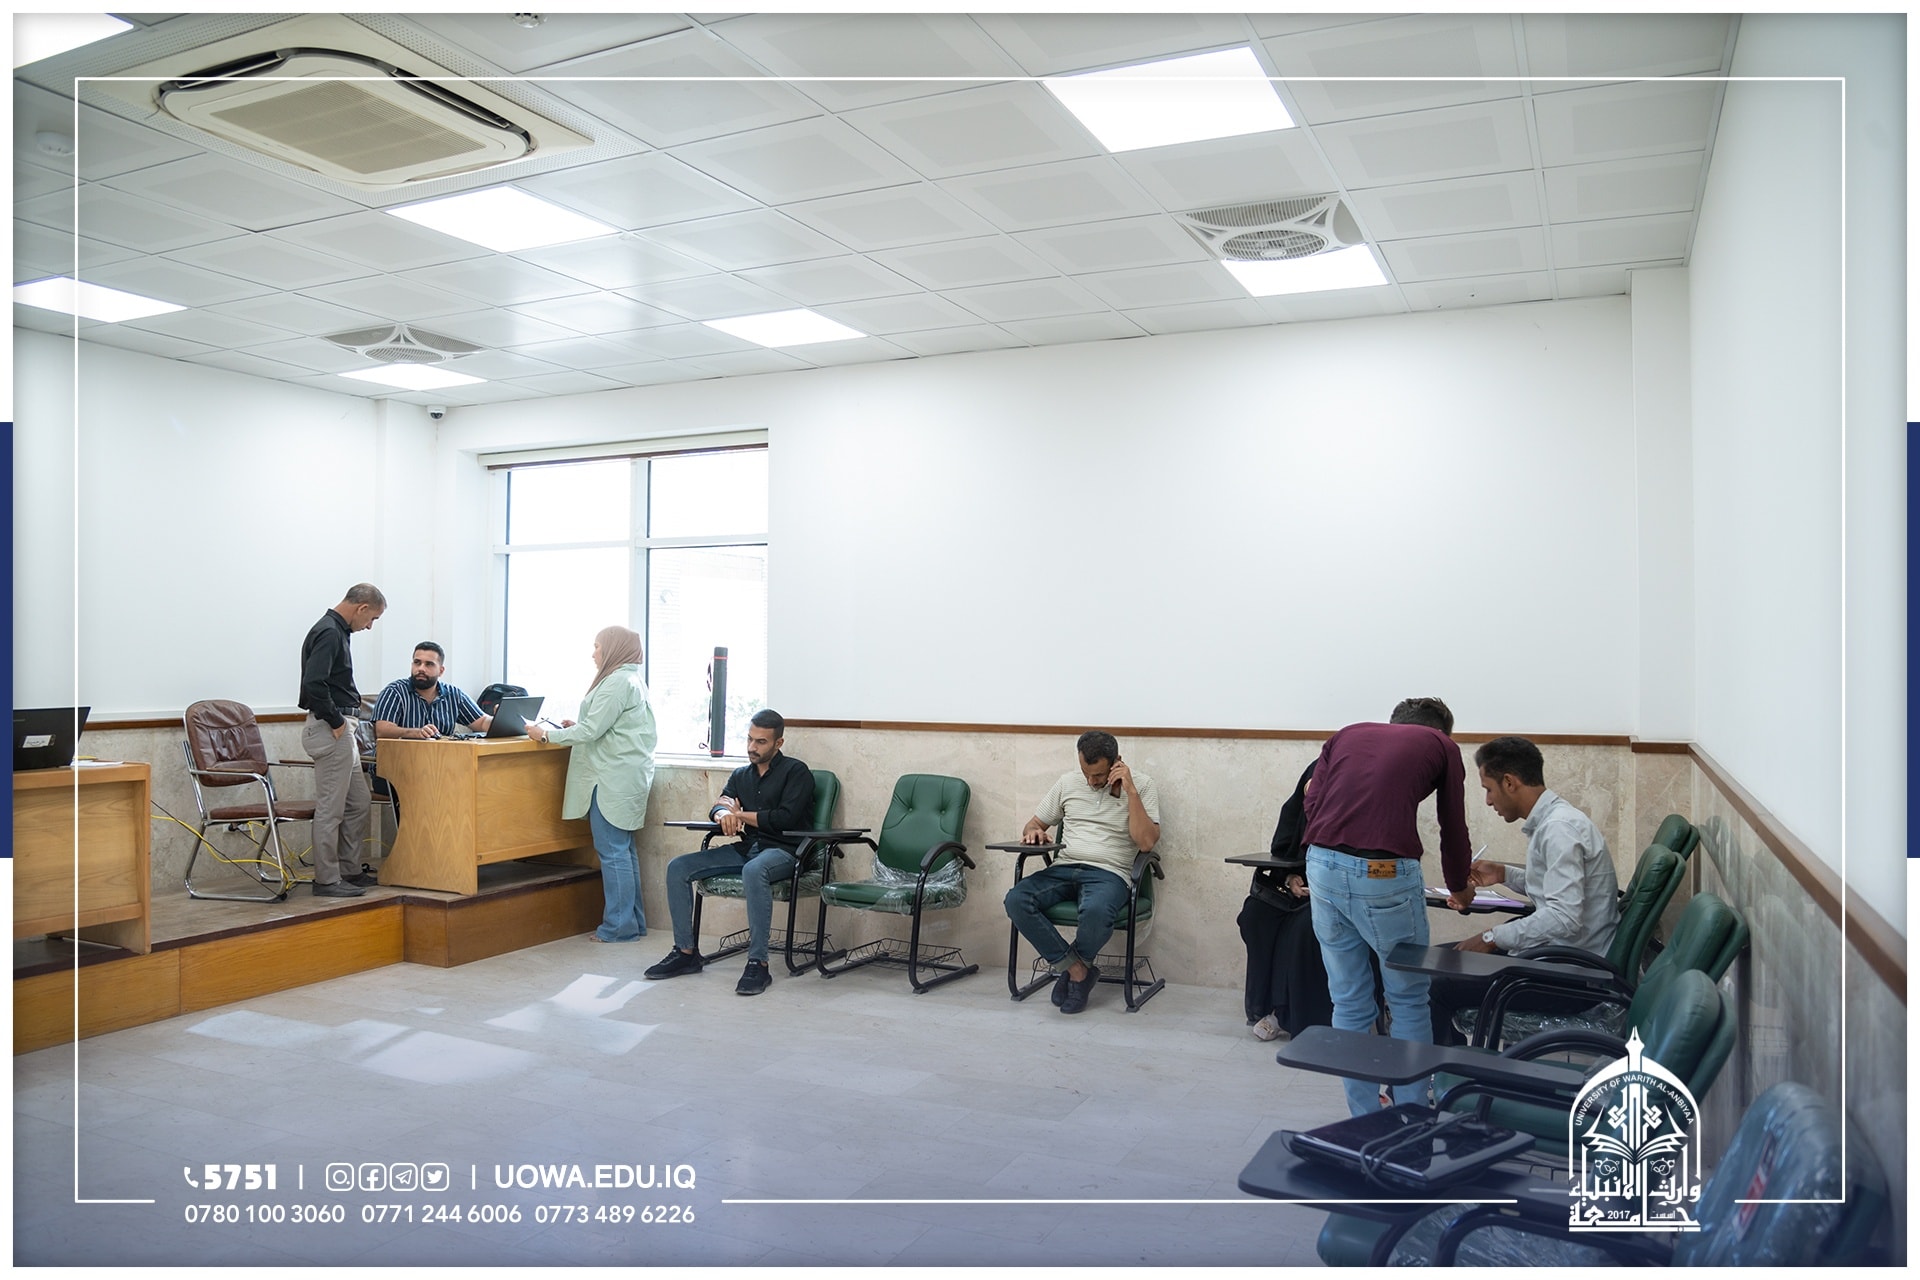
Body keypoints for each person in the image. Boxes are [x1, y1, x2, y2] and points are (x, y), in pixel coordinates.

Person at [1301, 696, 1474, 1115]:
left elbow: (1311, 805)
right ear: (1441, 730)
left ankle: (1363, 1117)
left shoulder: (1347, 734)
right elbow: (1452, 825)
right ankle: (1411, 1115)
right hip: (1384, 872)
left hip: (1321, 863)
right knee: (1408, 999)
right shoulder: (1442, 745)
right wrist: (1459, 887)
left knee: (1348, 1000)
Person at [1426, 736, 1621, 1045]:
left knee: (1435, 985)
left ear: (1509, 782)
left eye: (1489, 789)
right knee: (1438, 961)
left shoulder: (1559, 830)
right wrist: (1504, 874)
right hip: (1558, 958)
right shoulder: (1556, 821)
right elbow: (1556, 890)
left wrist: (1491, 938)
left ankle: (1441, 1069)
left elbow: (1563, 917)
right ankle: (1453, 1063)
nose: (1488, 801)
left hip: (1570, 977)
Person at [646, 710, 816, 996]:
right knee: (678, 867)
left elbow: (785, 818)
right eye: (749, 739)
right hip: (747, 848)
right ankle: (686, 953)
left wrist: (741, 815)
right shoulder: (741, 775)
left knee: (754, 870)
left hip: (786, 851)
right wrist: (724, 814)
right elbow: (720, 803)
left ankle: (758, 963)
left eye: (761, 742)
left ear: (779, 743)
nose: (752, 747)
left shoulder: (796, 772)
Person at [1005, 730, 1161, 1015]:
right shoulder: (1067, 783)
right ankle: (1078, 972)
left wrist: (1130, 791)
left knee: (1096, 910)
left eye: (1098, 775)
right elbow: (1034, 824)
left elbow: (1146, 842)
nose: (1091, 781)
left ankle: (1073, 972)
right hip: (1065, 867)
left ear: (1117, 762)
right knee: (1016, 900)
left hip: (1109, 873)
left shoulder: (1143, 785)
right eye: (1086, 773)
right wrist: (1033, 833)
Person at [526, 627, 656, 944]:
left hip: (610, 778)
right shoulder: (631, 679)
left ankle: (618, 927)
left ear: (613, 649)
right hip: (624, 776)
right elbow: (606, 726)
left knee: (612, 852)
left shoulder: (616, 682)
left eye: (598, 646)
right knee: (623, 851)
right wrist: (580, 725)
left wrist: (545, 735)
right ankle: (632, 923)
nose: (594, 653)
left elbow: (591, 732)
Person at [297, 583, 386, 898]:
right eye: (372, 618)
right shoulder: (329, 632)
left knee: (358, 802)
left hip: (342, 728)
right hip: (331, 727)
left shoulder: (337, 631)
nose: (369, 626)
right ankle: (326, 880)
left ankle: (349, 870)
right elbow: (314, 683)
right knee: (331, 809)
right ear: (362, 608)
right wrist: (336, 722)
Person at [1237, 760, 1335, 1041]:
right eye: (1309, 788)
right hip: (1296, 892)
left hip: (1336, 896)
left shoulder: (1349, 813)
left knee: (1302, 929)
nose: (1312, 795)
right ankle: (1261, 1004)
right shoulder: (1297, 809)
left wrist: (1323, 888)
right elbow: (1284, 851)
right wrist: (1291, 877)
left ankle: (1284, 1013)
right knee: (1255, 916)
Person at [372, 642, 492, 741]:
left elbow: (482, 722)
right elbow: (382, 730)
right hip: (398, 758)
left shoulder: (454, 695)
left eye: (429, 664)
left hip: (439, 757)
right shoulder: (394, 691)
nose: (421, 668)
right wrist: (416, 733)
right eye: (417, 662)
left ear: (441, 671)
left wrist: (500, 719)